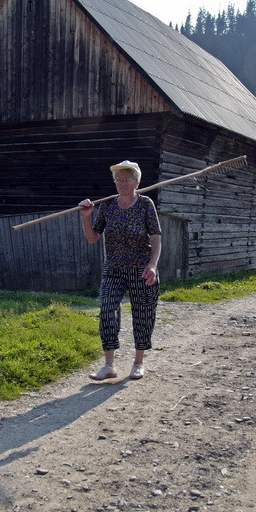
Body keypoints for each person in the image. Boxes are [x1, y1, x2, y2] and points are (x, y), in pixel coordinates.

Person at [79, 160, 162, 381]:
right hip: (114, 268)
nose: (122, 183)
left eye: (127, 179)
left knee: (143, 314)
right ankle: (109, 366)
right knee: (107, 308)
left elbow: (155, 237)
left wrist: (152, 265)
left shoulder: (145, 204)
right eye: (118, 180)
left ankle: (138, 363)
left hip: (141, 269)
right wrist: (86, 217)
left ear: (137, 182)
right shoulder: (107, 206)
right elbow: (92, 238)